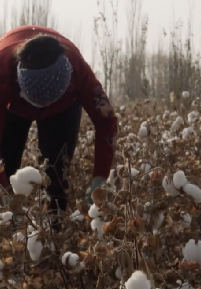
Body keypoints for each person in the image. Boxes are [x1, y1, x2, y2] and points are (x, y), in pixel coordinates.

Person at [0, 25, 117, 213]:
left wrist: (101, 177)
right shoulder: (2, 70)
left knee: (56, 172)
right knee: (7, 163)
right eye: (36, 102)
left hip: (63, 110)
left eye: (48, 102)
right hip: (12, 107)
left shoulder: (78, 71)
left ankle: (53, 229)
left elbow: (106, 121)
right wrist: (4, 191)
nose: (41, 109)